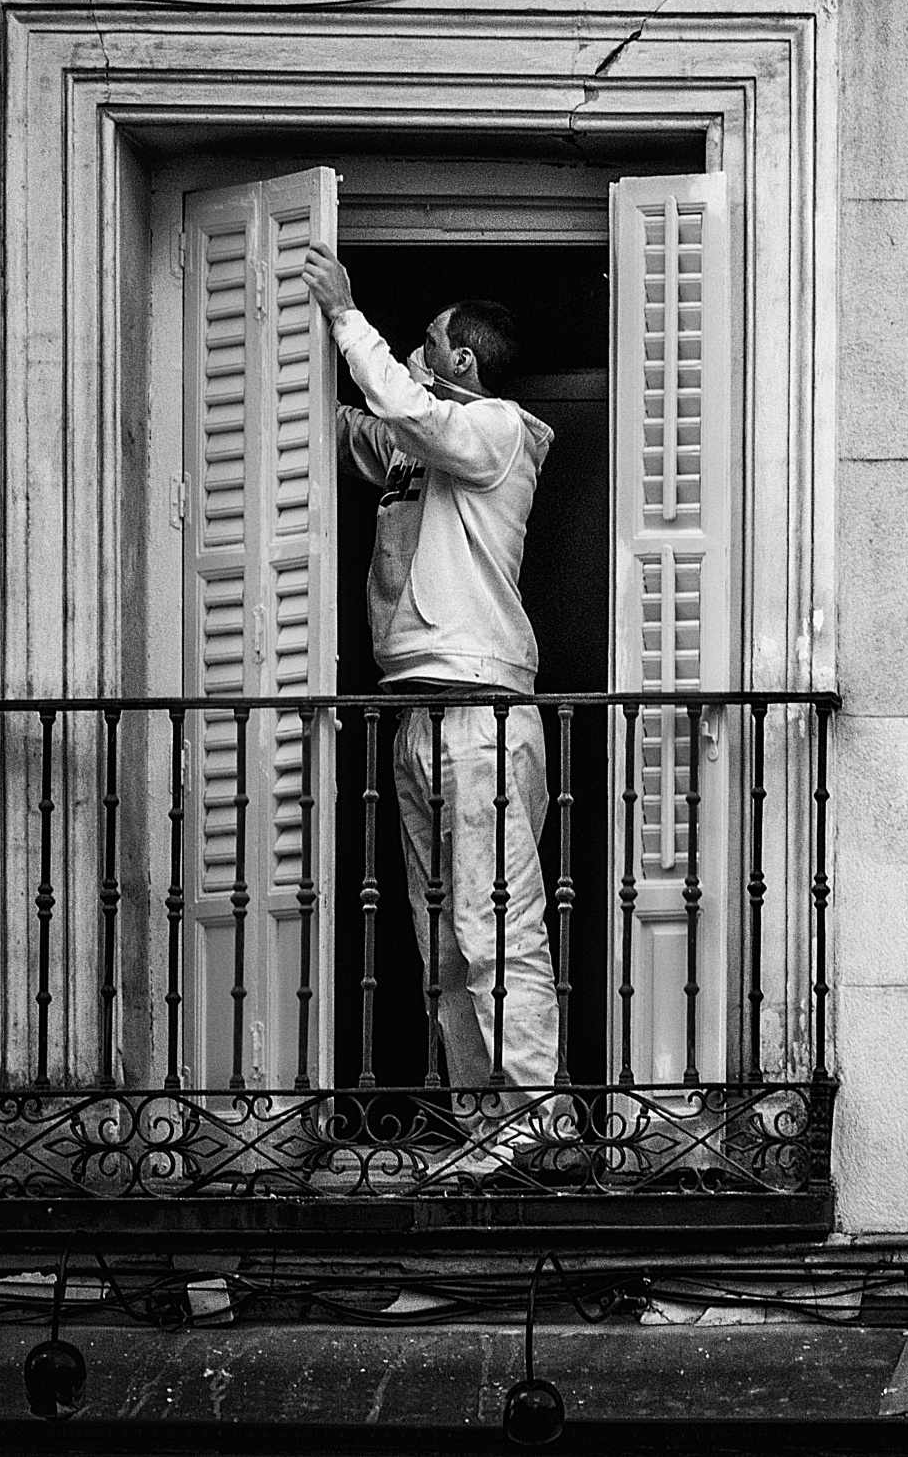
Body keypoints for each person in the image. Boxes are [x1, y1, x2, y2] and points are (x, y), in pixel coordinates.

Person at [301, 248, 559, 1181]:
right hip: (420, 714)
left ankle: (534, 1124)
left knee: (496, 928)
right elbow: (345, 426)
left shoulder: (497, 430)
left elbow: (410, 411)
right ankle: (485, 1128)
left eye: (428, 341)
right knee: (442, 938)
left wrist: (346, 315)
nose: (414, 352)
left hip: (483, 712)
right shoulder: (417, 447)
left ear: (461, 362)